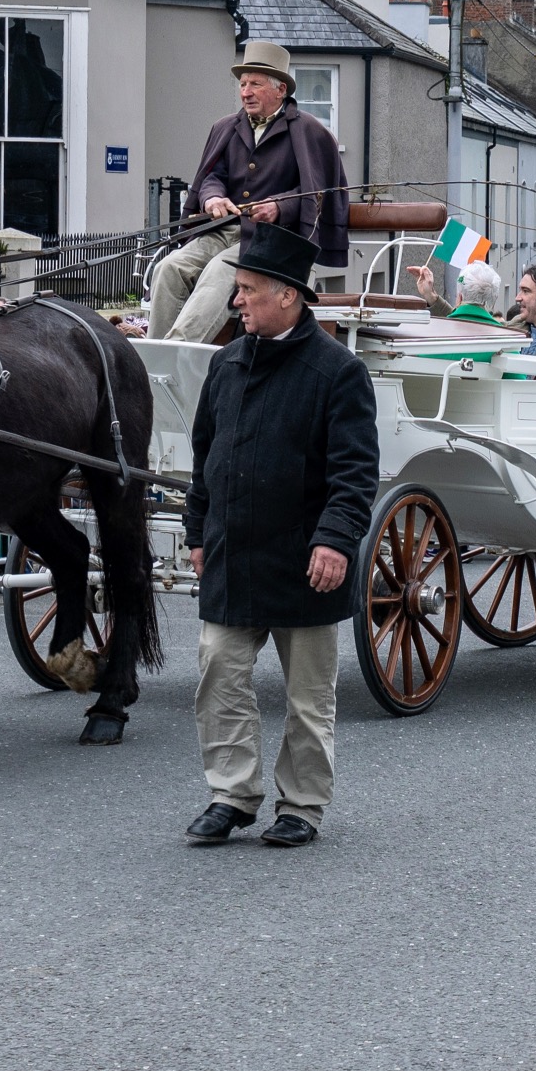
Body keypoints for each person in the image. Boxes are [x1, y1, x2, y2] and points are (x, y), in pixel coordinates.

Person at [183, 222, 380, 847]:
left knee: (308, 697)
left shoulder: (338, 372)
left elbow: (355, 472)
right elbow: (205, 458)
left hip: (305, 559)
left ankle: (303, 804)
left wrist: (335, 540)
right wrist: (196, 531)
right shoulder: (226, 365)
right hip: (232, 551)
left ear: (288, 294)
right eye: (237, 288)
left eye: (247, 289)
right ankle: (232, 794)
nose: (236, 300)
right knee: (219, 671)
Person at [150, 40, 348, 343]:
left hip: (276, 239)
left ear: (281, 90)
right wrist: (212, 197)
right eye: (243, 84)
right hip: (224, 229)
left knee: (220, 272)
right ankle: (153, 357)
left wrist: (279, 207)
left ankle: (178, 352)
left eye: (255, 84)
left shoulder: (310, 131)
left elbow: (318, 194)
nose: (246, 92)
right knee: (168, 267)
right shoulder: (226, 127)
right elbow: (213, 175)